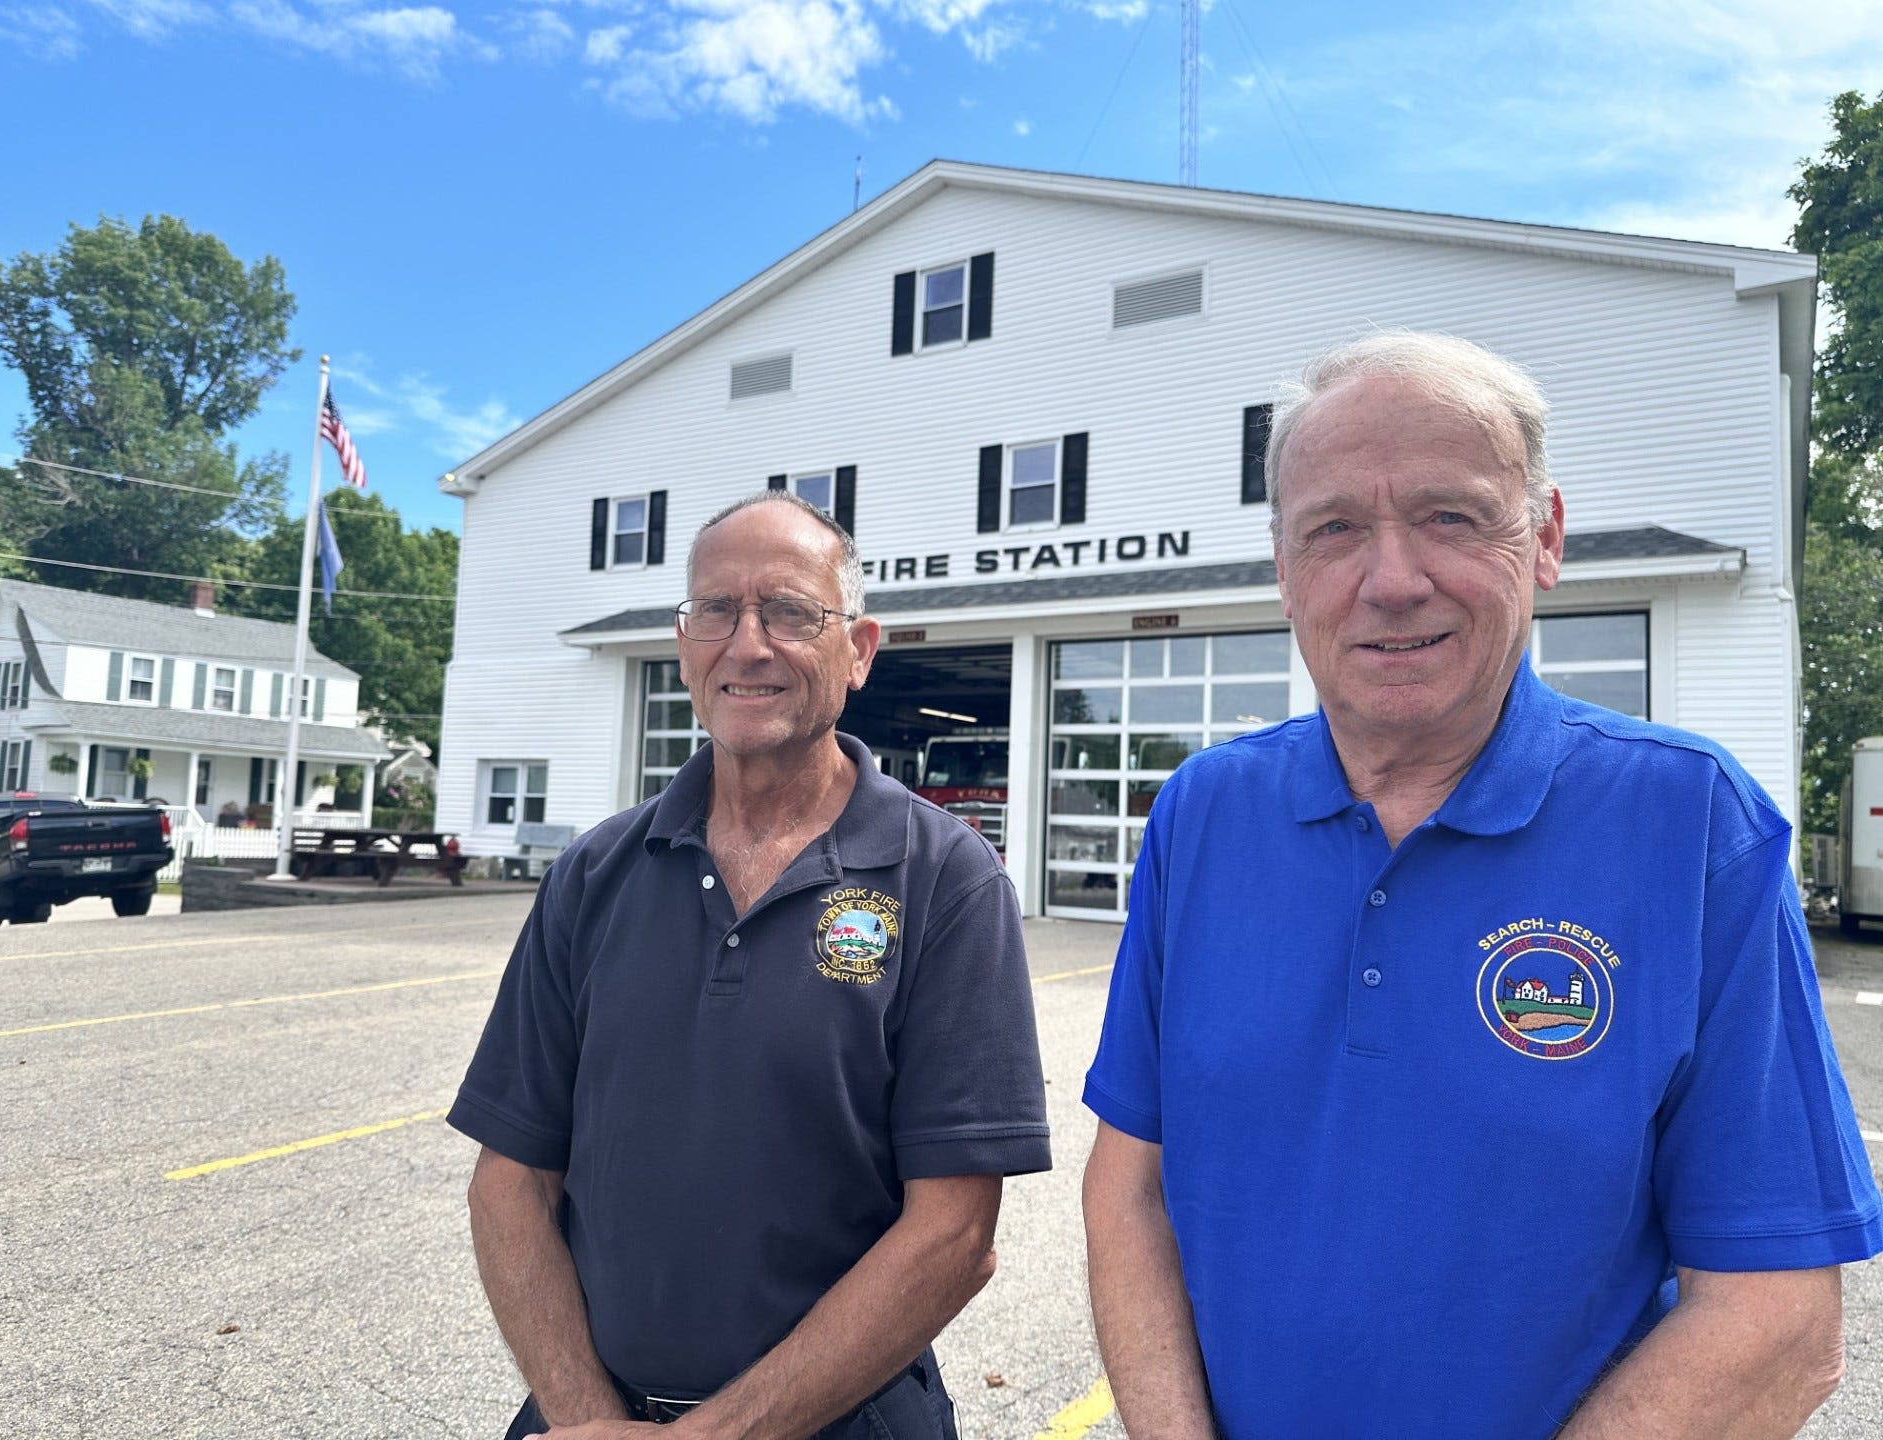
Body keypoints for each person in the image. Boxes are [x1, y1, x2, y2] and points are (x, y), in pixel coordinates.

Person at [1081, 331, 1882, 1438]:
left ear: (1545, 538)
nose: (1393, 580)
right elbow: (1127, 1189)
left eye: (1450, 517)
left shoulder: (1691, 825)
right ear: (1283, 568)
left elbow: (1779, 1315)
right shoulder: (1203, 815)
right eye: (1335, 530)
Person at [451, 492, 1052, 1439]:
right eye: (716, 610)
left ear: (858, 648)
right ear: (684, 641)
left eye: (790, 612)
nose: (748, 644)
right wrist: (581, 1416)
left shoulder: (945, 879)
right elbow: (511, 1180)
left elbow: (953, 1237)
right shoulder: (597, 872)